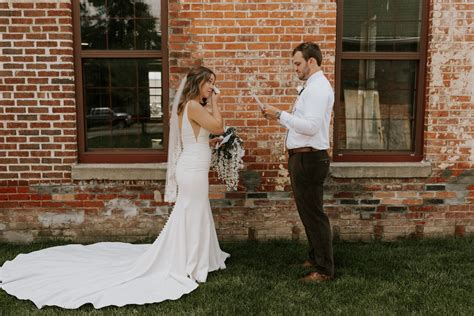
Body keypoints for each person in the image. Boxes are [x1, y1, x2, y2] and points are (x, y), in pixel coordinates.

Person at [0, 66, 229, 309]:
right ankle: (190, 264)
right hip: (192, 170)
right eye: (209, 83)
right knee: (192, 212)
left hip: (194, 166)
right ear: (199, 83)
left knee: (195, 211)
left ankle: (199, 257)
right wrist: (216, 103)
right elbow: (219, 126)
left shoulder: (191, 107)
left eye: (213, 84)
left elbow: (199, 136)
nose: (212, 88)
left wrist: (211, 141)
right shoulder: (194, 105)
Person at [261, 42, 335, 282]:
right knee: (308, 214)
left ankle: (324, 270)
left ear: (311, 61)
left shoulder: (318, 89)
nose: (295, 68)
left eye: (298, 63)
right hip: (303, 157)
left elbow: (312, 126)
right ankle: (315, 259)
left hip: (310, 158)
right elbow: (304, 122)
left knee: (314, 215)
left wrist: (278, 114)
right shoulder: (311, 87)